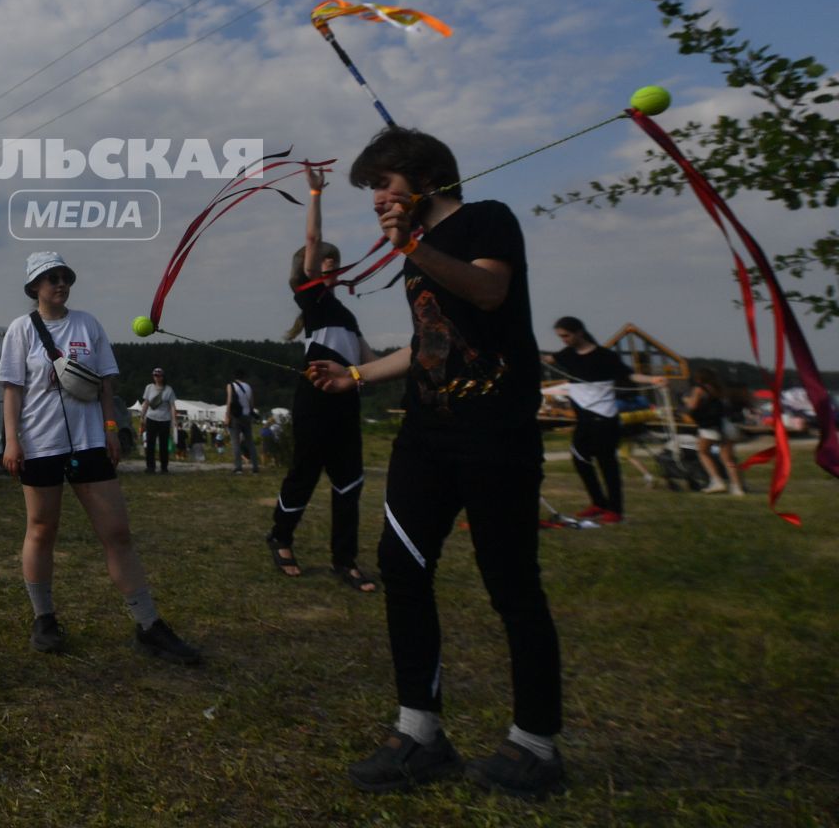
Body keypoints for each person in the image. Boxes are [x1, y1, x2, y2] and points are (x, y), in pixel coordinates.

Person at [307, 127, 564, 799]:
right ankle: (420, 734)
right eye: (372, 191)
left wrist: (414, 245)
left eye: (384, 185)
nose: (376, 201)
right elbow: (429, 341)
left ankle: (536, 746)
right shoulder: (413, 251)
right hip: (427, 435)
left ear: (423, 180)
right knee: (400, 567)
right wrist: (357, 376)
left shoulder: (488, 220)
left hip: (495, 433)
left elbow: (486, 293)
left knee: (510, 583)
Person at [0, 251, 202, 664]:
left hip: (90, 443)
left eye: (64, 276)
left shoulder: (88, 324)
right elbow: (12, 390)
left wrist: (111, 431)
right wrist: (11, 441)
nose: (60, 283)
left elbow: (106, 385)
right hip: (40, 445)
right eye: (51, 278)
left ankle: (148, 626)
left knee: (118, 533)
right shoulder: (20, 331)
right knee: (41, 530)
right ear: (34, 287)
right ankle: (44, 619)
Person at [269, 169, 377, 589]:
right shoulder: (310, 296)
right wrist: (315, 192)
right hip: (315, 399)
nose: (331, 262)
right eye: (324, 259)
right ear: (310, 269)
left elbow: (370, 363)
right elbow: (312, 240)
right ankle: (280, 537)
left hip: (346, 403)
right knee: (305, 472)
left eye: (335, 258)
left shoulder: (346, 315)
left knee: (350, 479)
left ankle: (345, 560)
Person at [545, 316, 665, 523]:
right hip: (584, 418)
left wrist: (654, 379)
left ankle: (615, 510)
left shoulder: (605, 356)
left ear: (579, 332)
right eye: (560, 336)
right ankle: (598, 503)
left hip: (605, 417)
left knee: (606, 463)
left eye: (566, 335)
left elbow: (629, 376)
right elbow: (549, 359)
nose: (563, 339)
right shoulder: (567, 355)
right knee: (580, 459)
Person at [684, 366, 744, 495]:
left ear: (699, 378)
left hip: (709, 425)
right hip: (726, 425)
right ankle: (737, 487)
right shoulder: (719, 389)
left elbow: (692, 406)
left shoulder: (699, 389)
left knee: (703, 452)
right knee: (728, 459)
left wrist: (687, 401)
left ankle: (717, 481)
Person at [141, 367, 177, 473]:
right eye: (155, 375)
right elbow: (146, 403)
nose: (156, 377)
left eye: (159, 375)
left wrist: (174, 420)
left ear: (163, 377)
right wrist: (142, 416)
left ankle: (164, 467)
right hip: (151, 418)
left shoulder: (169, 389)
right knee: (150, 444)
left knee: (164, 445)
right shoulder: (149, 387)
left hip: (164, 420)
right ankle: (150, 467)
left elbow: (172, 406)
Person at [227, 370, 260, 473]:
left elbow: (229, 401)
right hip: (247, 416)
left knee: (236, 442)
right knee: (250, 442)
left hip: (236, 416)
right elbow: (251, 404)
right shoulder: (248, 387)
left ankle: (238, 467)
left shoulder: (231, 385)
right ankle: (255, 467)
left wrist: (227, 415)